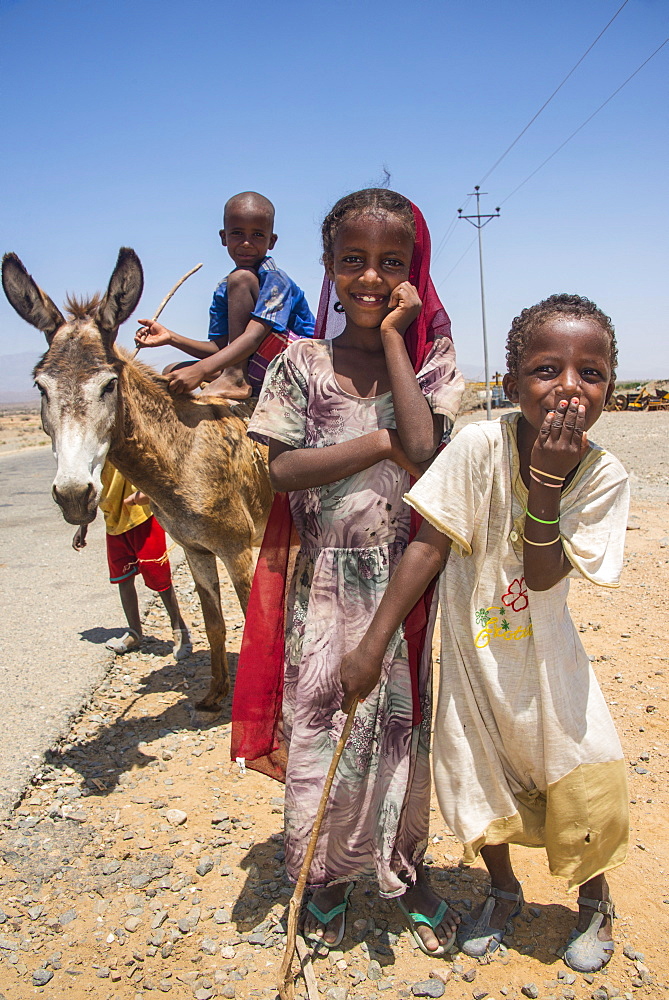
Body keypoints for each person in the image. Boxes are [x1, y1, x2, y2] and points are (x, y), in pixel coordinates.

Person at [340, 294, 629, 973]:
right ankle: (502, 892)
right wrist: (370, 643)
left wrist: (548, 486)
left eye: (590, 373)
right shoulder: (476, 445)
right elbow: (428, 548)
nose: (567, 388)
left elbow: (543, 573)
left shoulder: (603, 476)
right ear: (511, 384)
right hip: (474, 660)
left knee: (579, 774)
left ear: (609, 387)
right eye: (545, 370)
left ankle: (595, 901)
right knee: (475, 773)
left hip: (547, 663)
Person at [231, 188, 465, 955]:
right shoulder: (300, 363)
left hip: (409, 584)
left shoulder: (430, 360)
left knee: (403, 734)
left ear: (413, 271)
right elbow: (281, 471)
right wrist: (372, 445)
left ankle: (405, 868)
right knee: (325, 732)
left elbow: (425, 447)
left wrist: (398, 338)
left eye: (391, 263)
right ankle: (325, 875)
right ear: (329, 268)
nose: (370, 277)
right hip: (324, 589)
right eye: (353, 261)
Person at [134, 191, 315, 400]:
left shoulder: (275, 280)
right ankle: (234, 375)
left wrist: (201, 370)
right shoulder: (224, 288)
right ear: (223, 237)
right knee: (172, 372)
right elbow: (218, 348)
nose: (246, 243)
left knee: (241, 279)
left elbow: (254, 336)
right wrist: (171, 338)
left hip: (299, 364)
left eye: (257, 235)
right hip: (260, 365)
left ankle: (236, 377)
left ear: (271, 241)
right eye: (237, 233)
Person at [73, 461, 191, 660]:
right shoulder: (92, 454)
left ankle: (180, 629)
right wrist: (84, 524)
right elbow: (89, 487)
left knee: (158, 576)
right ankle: (135, 632)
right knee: (123, 579)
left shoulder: (121, 435)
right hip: (113, 519)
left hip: (142, 515)